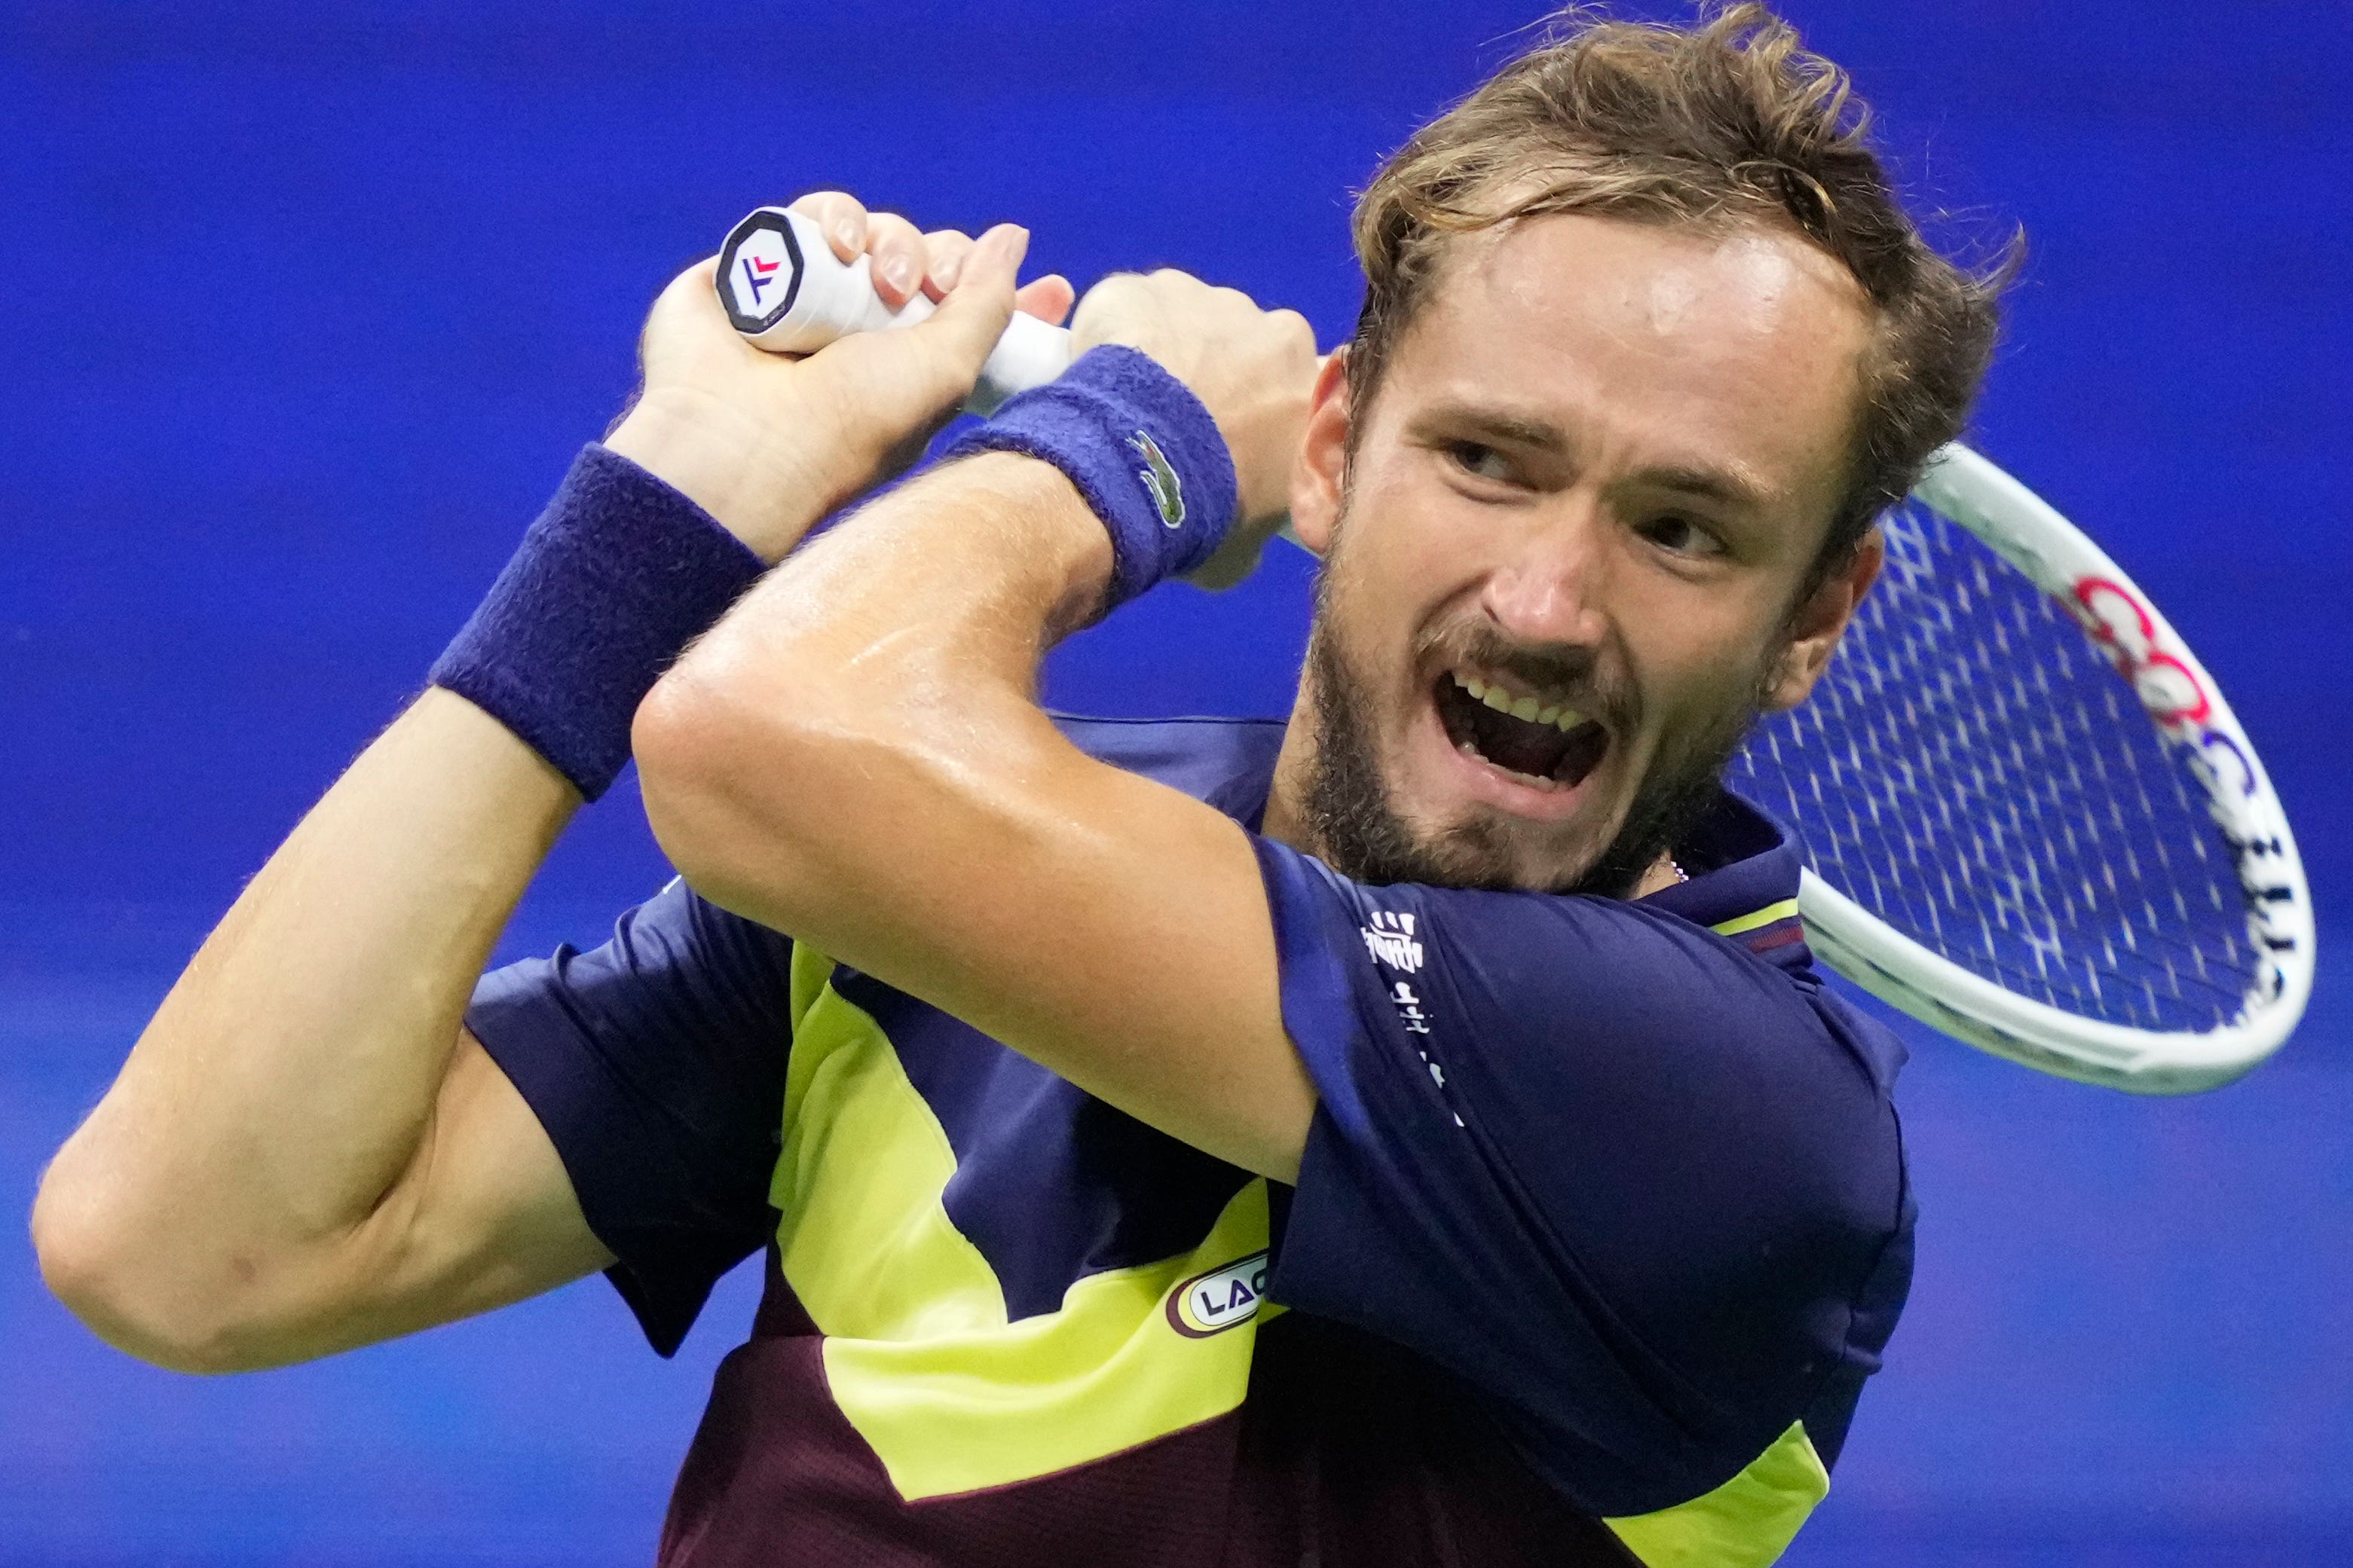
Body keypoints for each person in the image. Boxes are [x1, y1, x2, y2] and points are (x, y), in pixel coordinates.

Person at [32, 8, 2005, 1566]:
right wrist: (678, 491)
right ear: (1329, 453)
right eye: (1485, 459)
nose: (1547, 597)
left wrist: (1122, 442)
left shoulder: (1737, 1124)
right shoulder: (920, 870)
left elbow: (749, 740)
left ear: (1818, 609)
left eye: (1678, 527)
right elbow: (183, 1240)